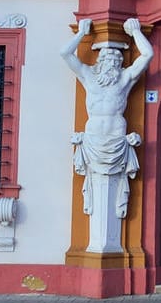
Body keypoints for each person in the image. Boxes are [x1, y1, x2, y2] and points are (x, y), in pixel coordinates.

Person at [62, 18, 153, 219]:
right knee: (94, 185)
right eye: (107, 59)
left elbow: (148, 55)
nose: (112, 63)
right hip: (93, 136)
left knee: (119, 182)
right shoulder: (88, 76)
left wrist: (136, 32)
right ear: (100, 62)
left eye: (116, 61)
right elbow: (65, 53)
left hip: (116, 135)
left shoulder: (125, 79)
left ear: (120, 64)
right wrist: (81, 33)